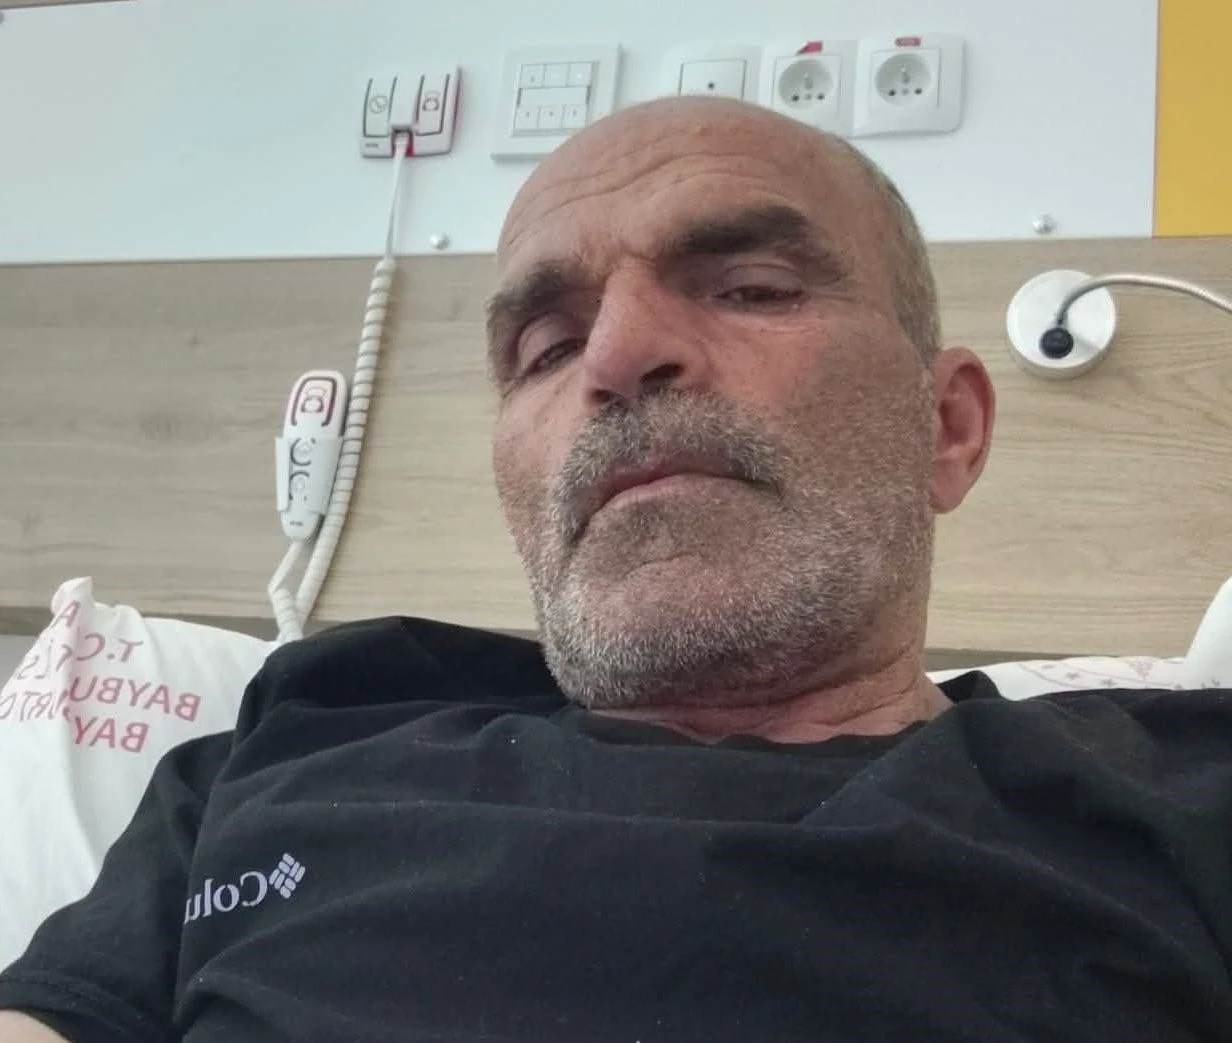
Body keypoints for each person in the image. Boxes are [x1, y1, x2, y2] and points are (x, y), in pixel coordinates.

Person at [2, 94, 1231, 1042]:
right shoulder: (287, 744)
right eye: (544, 347)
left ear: (945, 427)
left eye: (749, 287)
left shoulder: (1182, 793)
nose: (616, 354)